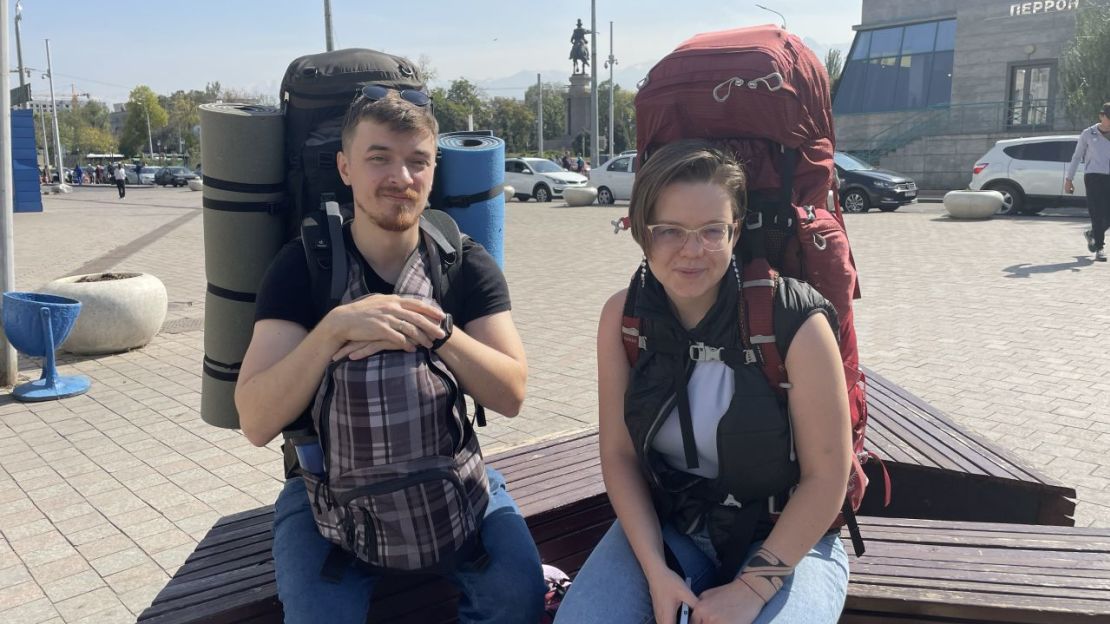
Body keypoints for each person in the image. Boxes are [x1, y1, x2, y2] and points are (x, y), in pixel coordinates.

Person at [235, 89, 544, 624]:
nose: (400, 176)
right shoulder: (303, 268)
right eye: (379, 157)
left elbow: (511, 393)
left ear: (433, 170)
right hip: (325, 494)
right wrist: (332, 330)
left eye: (416, 160)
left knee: (517, 595)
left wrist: (439, 330)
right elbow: (256, 421)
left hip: (452, 485)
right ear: (345, 167)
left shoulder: (462, 264)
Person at [554, 141, 852, 624]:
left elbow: (827, 477)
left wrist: (751, 591)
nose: (691, 251)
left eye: (711, 230)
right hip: (674, 524)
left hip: (788, 535)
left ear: (735, 231)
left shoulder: (792, 318)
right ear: (641, 232)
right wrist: (655, 571)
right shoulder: (624, 319)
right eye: (670, 230)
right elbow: (620, 455)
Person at [1066, 102, 1110, 262]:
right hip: (1094, 177)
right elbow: (1077, 157)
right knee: (1097, 213)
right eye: (1109, 118)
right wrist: (1069, 179)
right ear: (1101, 116)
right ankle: (1099, 248)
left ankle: (1092, 233)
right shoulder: (1088, 133)